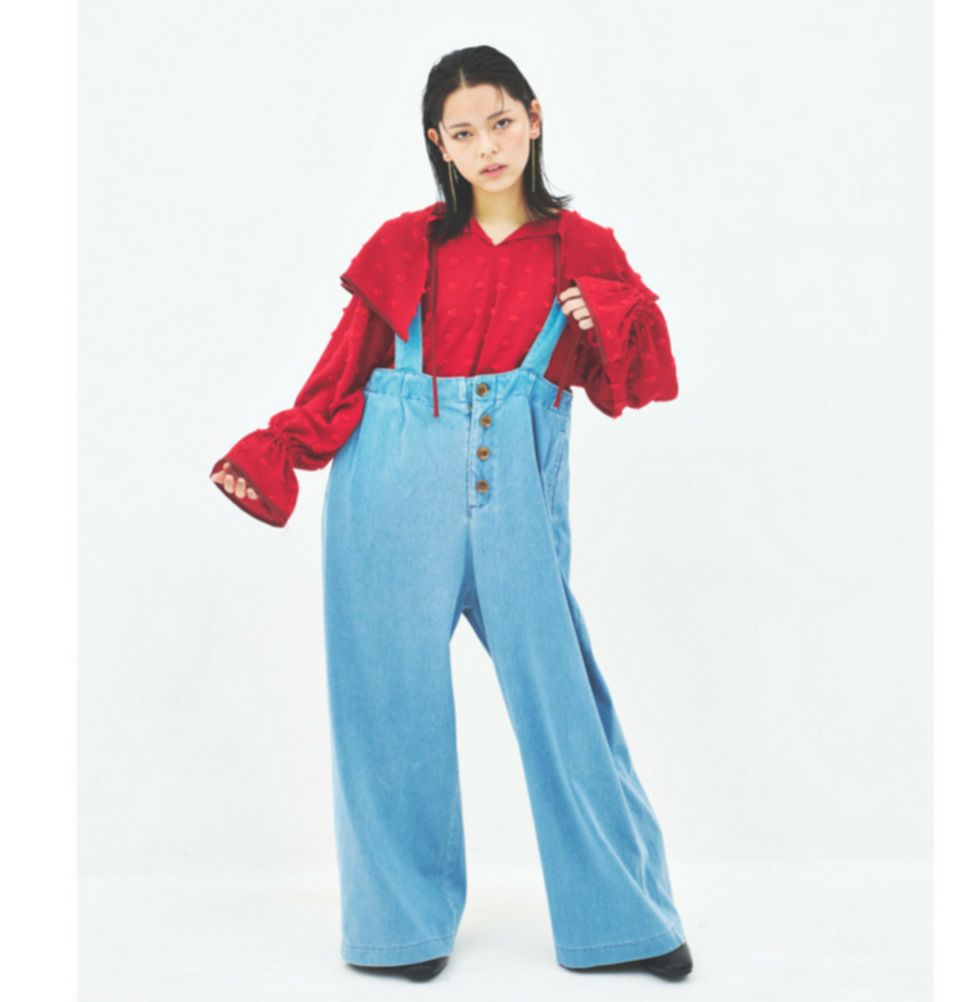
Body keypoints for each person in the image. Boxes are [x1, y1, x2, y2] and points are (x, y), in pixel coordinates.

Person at [209, 45, 693, 984]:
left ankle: (627, 921)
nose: (488, 147)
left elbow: (630, 385)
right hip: (392, 480)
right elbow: (346, 371)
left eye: (501, 122)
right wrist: (281, 449)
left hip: (517, 485)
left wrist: (601, 312)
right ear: (440, 143)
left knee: (563, 701)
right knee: (386, 701)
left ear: (534, 118)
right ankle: (402, 930)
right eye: (463, 133)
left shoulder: (583, 247)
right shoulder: (407, 245)